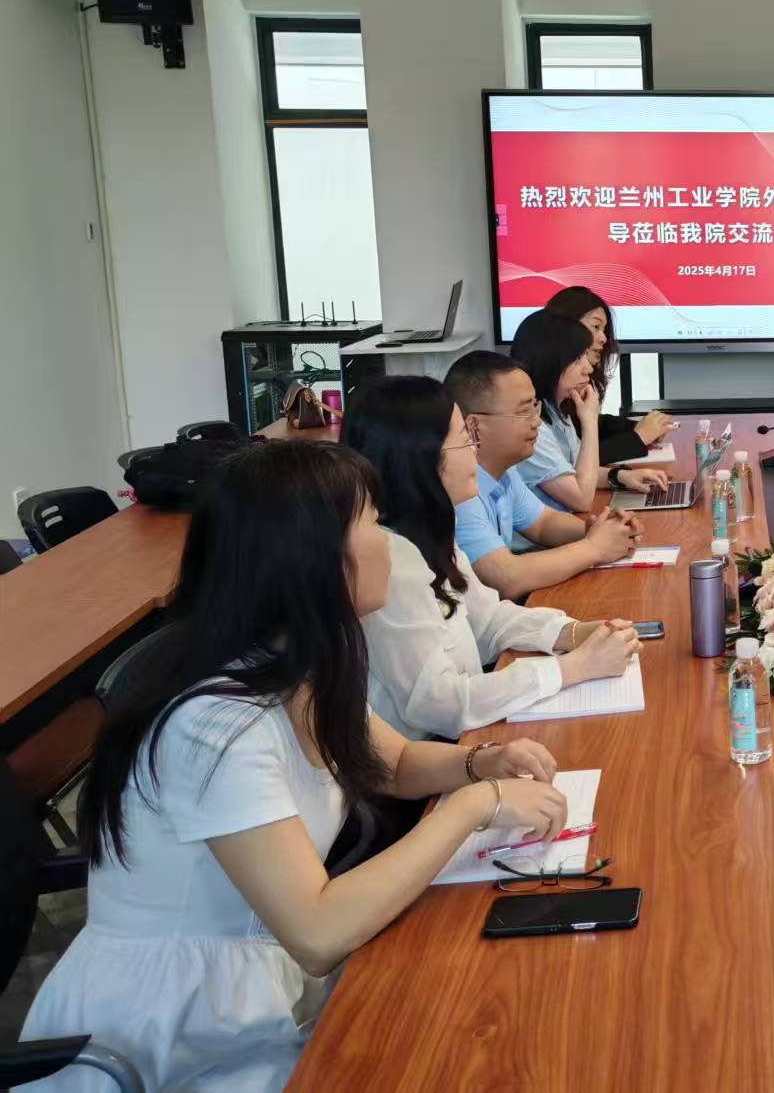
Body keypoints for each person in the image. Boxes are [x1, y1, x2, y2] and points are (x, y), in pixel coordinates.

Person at [21, 442, 573, 1089]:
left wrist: (479, 761)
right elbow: (317, 929)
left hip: (253, 989)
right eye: (371, 523)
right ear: (312, 557)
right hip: (168, 1038)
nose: (387, 541)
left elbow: (391, 762)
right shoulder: (216, 724)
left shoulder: (299, 662)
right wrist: (475, 806)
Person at [342, 376, 640, 740]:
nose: (474, 451)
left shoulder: (430, 532)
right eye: (464, 440)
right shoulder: (389, 560)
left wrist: (572, 632)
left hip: (464, 737)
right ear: (421, 458)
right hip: (430, 758)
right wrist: (573, 668)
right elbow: (440, 704)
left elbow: (487, 621)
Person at [444, 350, 640, 601]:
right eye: (523, 411)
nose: (536, 421)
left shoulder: (503, 471)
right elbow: (505, 578)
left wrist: (600, 529)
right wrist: (594, 547)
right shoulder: (460, 490)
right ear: (474, 426)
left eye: (535, 407)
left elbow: (543, 524)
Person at [509, 310, 669, 513]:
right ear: (549, 362)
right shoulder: (532, 429)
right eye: (577, 359)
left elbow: (581, 471)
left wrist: (620, 476)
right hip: (552, 531)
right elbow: (582, 499)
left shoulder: (554, 409)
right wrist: (589, 421)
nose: (589, 369)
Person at [544, 285, 672, 462]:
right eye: (595, 327)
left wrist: (639, 428)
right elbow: (574, 461)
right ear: (566, 328)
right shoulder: (539, 401)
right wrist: (639, 437)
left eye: (604, 330)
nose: (603, 338)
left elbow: (588, 426)